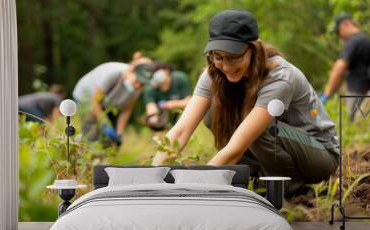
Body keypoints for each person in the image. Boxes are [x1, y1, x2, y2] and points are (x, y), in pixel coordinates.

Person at [152, 9, 340, 194]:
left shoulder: (279, 77)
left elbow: (236, 147)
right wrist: (153, 179)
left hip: (319, 154)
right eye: (218, 57)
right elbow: (180, 131)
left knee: (262, 128)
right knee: (212, 114)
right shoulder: (213, 73)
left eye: (234, 57)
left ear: (253, 49)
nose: (225, 66)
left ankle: (289, 186)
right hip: (278, 152)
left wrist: (197, 187)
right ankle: (258, 177)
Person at [72, 61, 154, 144]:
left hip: (108, 104)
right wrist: (105, 125)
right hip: (87, 98)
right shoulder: (113, 74)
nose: (138, 86)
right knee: (91, 135)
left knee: (111, 142)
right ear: (130, 71)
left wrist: (119, 133)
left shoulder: (137, 89)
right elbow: (95, 102)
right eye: (137, 81)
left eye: (142, 84)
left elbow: (126, 111)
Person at [321, 13, 370, 121]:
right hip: (364, 94)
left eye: (338, 32)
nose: (339, 36)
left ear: (346, 24)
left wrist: (326, 95)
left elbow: (339, 69)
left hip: (357, 94)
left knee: (356, 126)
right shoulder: (365, 40)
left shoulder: (354, 41)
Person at [144, 65, 192, 130]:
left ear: (167, 72)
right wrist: (153, 117)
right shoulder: (150, 88)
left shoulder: (180, 79)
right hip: (164, 119)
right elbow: (150, 107)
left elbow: (190, 103)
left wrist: (173, 104)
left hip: (183, 115)